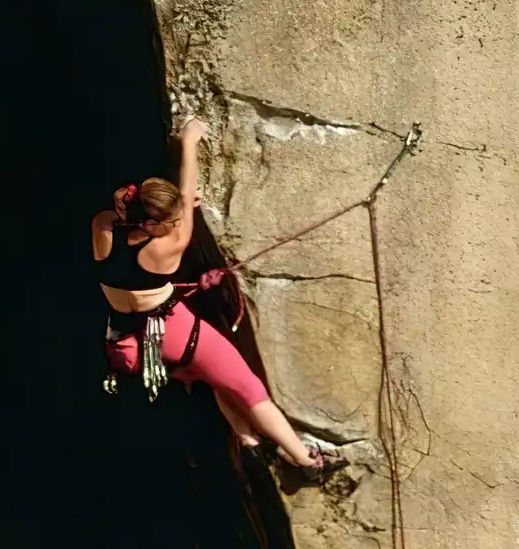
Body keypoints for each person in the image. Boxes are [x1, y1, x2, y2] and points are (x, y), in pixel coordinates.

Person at [94, 118, 339, 472]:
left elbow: (118, 210)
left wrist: (133, 208)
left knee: (212, 374)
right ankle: (307, 462)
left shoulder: (102, 229)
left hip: (125, 341)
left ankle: (248, 441)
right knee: (247, 387)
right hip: (171, 332)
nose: (177, 223)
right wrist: (190, 141)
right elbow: (185, 193)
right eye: (170, 221)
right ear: (151, 225)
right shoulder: (168, 246)